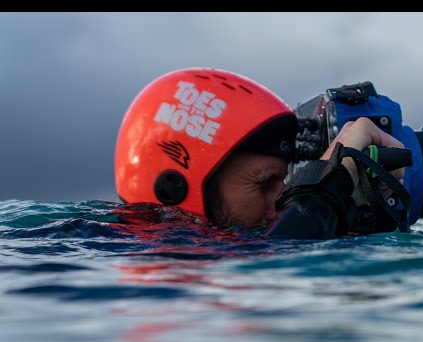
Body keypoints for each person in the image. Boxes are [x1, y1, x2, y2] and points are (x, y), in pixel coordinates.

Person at [114, 68, 404, 239]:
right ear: (174, 188)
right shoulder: (107, 245)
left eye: (282, 183)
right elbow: (286, 257)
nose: (279, 206)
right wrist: (331, 181)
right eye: (263, 184)